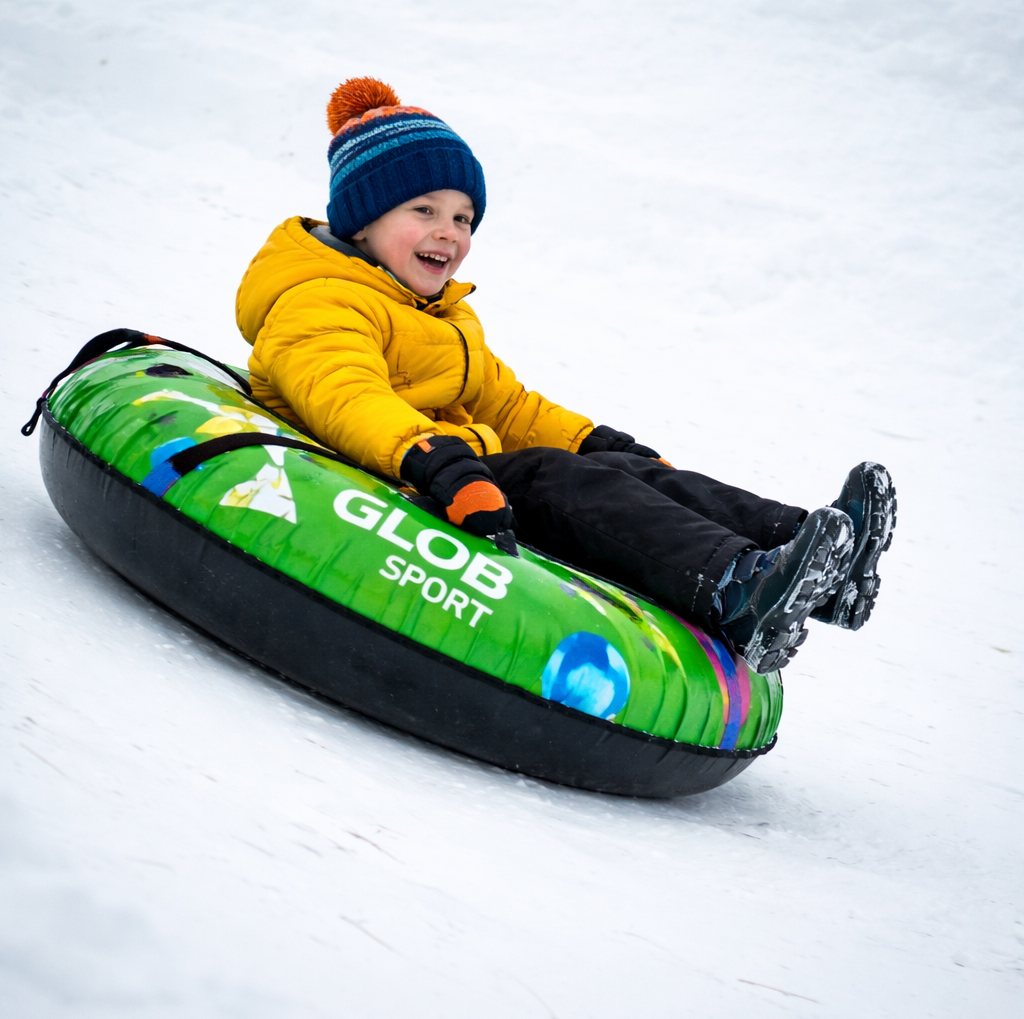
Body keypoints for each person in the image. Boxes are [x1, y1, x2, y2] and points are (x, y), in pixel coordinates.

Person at [235, 77, 896, 675]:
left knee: (613, 469)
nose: (449, 233)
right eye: (424, 211)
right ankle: (738, 589)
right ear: (362, 220)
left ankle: (814, 554)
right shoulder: (318, 300)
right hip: (384, 478)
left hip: (449, 467)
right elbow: (345, 396)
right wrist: (432, 455)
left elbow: (506, 404)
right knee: (552, 479)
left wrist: (591, 438)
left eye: (463, 217)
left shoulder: (437, 313)